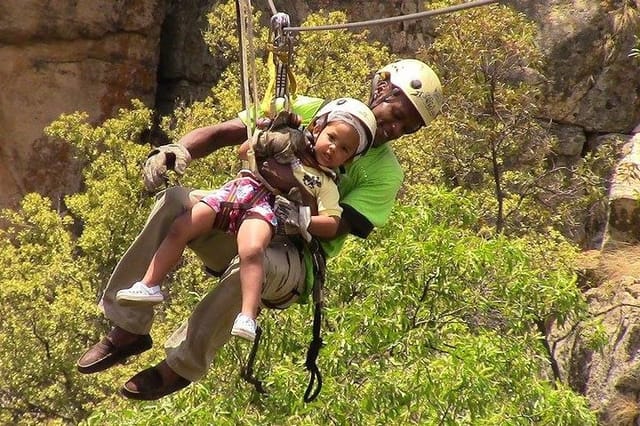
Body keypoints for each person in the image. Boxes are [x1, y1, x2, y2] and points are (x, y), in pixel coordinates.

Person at [76, 59, 444, 400]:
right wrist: (178, 150)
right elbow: (226, 133)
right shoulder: (312, 111)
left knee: (258, 260)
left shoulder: (385, 172)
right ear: (382, 89)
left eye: (407, 129)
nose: (395, 129)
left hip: (295, 255)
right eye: (396, 115)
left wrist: (296, 213)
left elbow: (338, 226)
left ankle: (180, 366)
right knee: (176, 201)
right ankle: (128, 326)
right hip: (248, 215)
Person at [114, 98, 377, 342]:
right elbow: (245, 152)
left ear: (350, 158)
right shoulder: (289, 144)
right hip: (238, 193)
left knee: (252, 250)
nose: (333, 149)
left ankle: (248, 315)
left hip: (264, 208)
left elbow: (332, 223)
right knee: (183, 225)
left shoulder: (326, 183)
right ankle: (149, 284)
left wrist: (302, 218)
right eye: (331, 138)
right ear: (317, 128)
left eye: (344, 149)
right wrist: (270, 132)